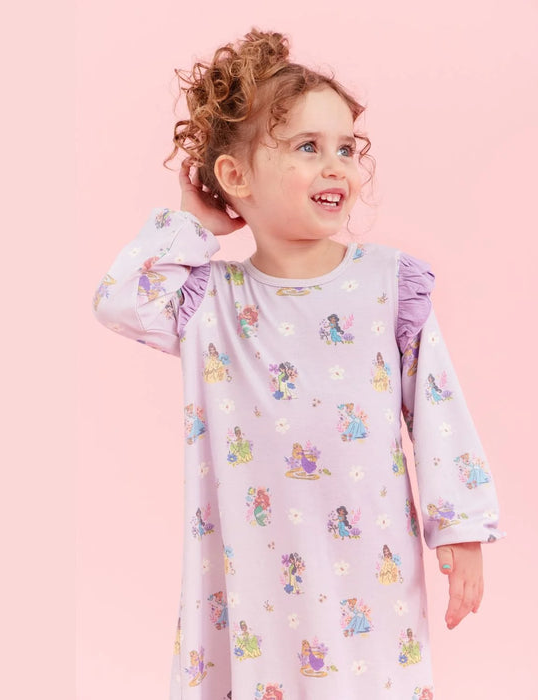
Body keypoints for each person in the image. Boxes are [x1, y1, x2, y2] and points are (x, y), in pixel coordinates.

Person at [93, 27, 505, 699]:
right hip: (250, 576)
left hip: (367, 568)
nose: (337, 165)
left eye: (347, 148)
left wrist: (459, 525)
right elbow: (119, 303)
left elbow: (438, 408)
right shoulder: (209, 303)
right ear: (235, 177)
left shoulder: (388, 286)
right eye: (308, 147)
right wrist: (194, 226)